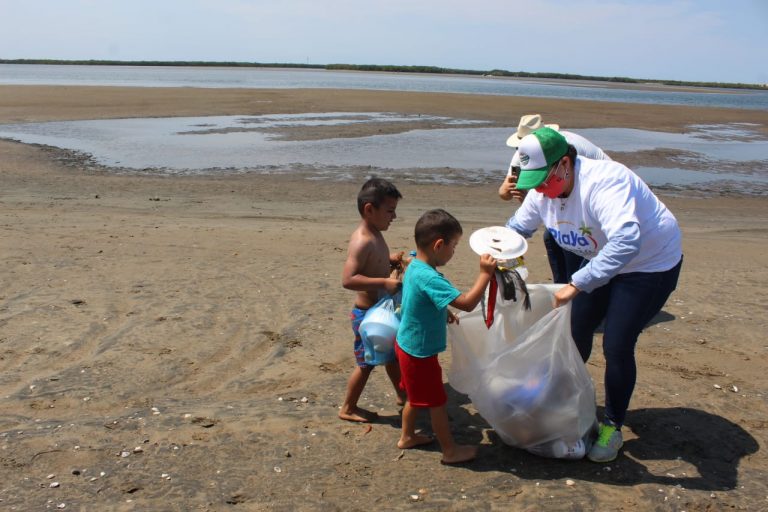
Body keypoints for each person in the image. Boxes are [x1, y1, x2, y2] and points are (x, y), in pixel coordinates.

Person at [505, 127, 683, 463]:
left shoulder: (605, 183)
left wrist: (577, 282)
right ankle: (559, 397)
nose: (540, 189)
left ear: (565, 164)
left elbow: (626, 242)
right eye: (534, 181)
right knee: (575, 330)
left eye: (544, 179)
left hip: (649, 264)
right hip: (597, 256)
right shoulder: (542, 190)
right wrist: (495, 256)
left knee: (616, 341)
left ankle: (612, 425)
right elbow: (517, 229)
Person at [395, 209, 496, 464]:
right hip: (420, 352)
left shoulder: (415, 263)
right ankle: (450, 451)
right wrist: (485, 274)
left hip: (406, 344)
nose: (454, 252)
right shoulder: (430, 276)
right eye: (454, 246)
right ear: (439, 245)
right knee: (437, 402)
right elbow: (468, 303)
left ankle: (407, 436)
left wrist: (443, 310)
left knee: (414, 398)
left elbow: (421, 299)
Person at [499, 114, 611, 283]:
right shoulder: (525, 153)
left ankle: (574, 284)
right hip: (564, 192)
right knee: (552, 237)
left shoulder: (566, 149)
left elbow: (565, 190)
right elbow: (519, 199)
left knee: (574, 239)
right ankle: (561, 285)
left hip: (593, 196)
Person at [339, 178, 406, 423]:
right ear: (370, 209)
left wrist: (389, 260)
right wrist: (384, 283)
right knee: (366, 363)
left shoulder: (375, 233)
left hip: (379, 314)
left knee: (391, 355)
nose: (394, 216)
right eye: (389, 211)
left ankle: (402, 394)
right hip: (366, 316)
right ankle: (348, 408)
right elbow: (348, 279)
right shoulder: (362, 240)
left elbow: (374, 262)